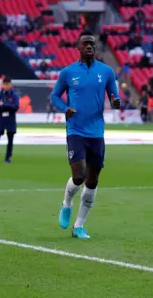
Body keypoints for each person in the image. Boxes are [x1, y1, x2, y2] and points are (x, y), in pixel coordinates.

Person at [51, 29, 120, 239]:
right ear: (78, 47)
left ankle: (79, 225)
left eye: (92, 44)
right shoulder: (68, 72)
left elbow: (114, 95)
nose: (89, 46)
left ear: (95, 47)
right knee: (79, 175)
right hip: (76, 131)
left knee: (92, 180)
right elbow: (55, 96)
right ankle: (66, 203)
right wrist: (65, 109)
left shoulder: (106, 72)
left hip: (96, 132)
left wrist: (116, 101)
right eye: (85, 44)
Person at [0, 78, 20, 164]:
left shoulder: (14, 96)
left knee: (10, 139)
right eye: (5, 84)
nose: (6, 86)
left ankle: (8, 158)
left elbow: (15, 107)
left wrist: (4, 105)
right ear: (2, 85)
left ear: (10, 85)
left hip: (10, 119)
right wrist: (8, 106)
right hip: (0, 120)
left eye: (8, 84)